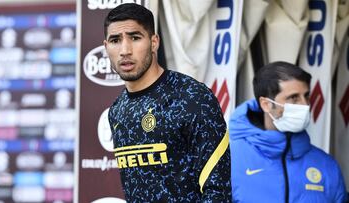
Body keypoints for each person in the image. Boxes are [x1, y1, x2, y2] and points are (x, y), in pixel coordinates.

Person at [103, 3, 231, 202]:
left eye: (135, 38)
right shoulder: (117, 110)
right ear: (106, 47)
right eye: (115, 40)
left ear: (154, 42)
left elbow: (218, 190)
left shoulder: (192, 97)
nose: (125, 50)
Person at [229, 61, 348, 203]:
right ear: (266, 104)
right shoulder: (229, 161)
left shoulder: (327, 166)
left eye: (307, 96)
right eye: (294, 98)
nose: (305, 105)